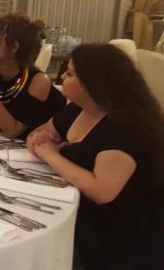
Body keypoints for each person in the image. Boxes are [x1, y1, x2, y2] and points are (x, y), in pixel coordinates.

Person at [27, 44, 164, 269]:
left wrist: (51, 154)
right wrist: (40, 140)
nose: (62, 77)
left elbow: (102, 191)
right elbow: (37, 134)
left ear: (94, 83)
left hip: (119, 240)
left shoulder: (124, 127)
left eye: (70, 73)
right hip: (78, 215)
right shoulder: (78, 109)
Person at [0, 13, 65, 139]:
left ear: (14, 46)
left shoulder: (38, 81)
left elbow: (12, 132)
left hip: (43, 146)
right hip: (12, 145)